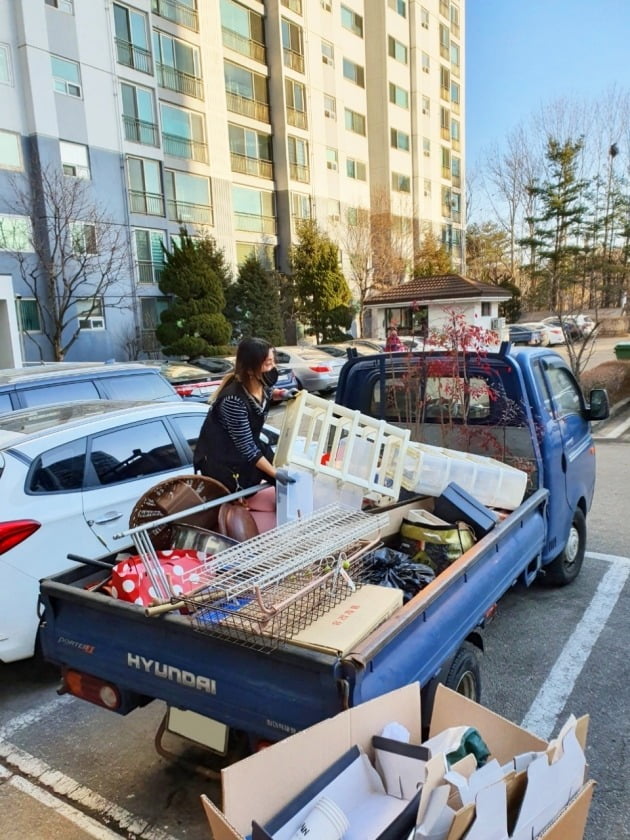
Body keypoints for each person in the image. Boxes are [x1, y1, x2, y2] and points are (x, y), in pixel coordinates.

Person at [194, 337, 296, 492]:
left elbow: (268, 393)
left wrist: (282, 393)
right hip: (224, 463)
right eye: (268, 364)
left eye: (273, 362)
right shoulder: (233, 400)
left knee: (286, 484)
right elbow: (247, 449)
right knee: (241, 501)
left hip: (248, 451)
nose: (273, 367)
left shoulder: (259, 384)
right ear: (250, 370)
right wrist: (275, 474)